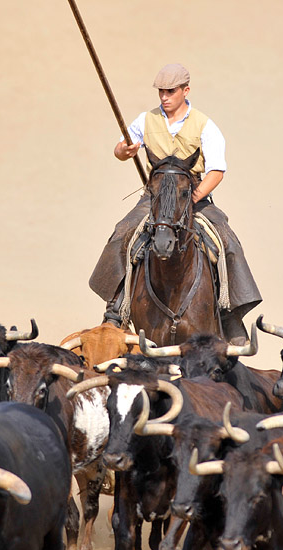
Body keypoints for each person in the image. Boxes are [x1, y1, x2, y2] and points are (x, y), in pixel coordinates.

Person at [88, 63, 262, 344]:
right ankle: (116, 308)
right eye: (161, 91)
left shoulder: (205, 125)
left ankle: (230, 316)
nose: (164, 97)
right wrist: (126, 150)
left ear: (185, 90)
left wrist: (191, 200)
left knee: (227, 240)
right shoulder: (146, 120)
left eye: (170, 91)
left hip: (192, 195)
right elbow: (120, 149)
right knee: (123, 232)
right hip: (155, 197)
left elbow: (216, 171)